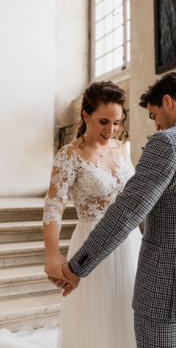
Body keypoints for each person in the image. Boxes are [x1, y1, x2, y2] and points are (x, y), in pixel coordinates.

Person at [51, 72, 176, 348]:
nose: (157, 125)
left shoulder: (167, 143)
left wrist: (77, 267)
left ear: (167, 102)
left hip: (165, 287)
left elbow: (126, 213)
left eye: (154, 115)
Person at [43, 81, 141, 348]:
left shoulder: (121, 149)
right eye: (103, 121)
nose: (111, 130)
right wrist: (52, 254)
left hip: (130, 243)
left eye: (117, 122)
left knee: (129, 313)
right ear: (86, 116)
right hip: (92, 245)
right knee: (99, 321)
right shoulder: (69, 155)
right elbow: (53, 207)